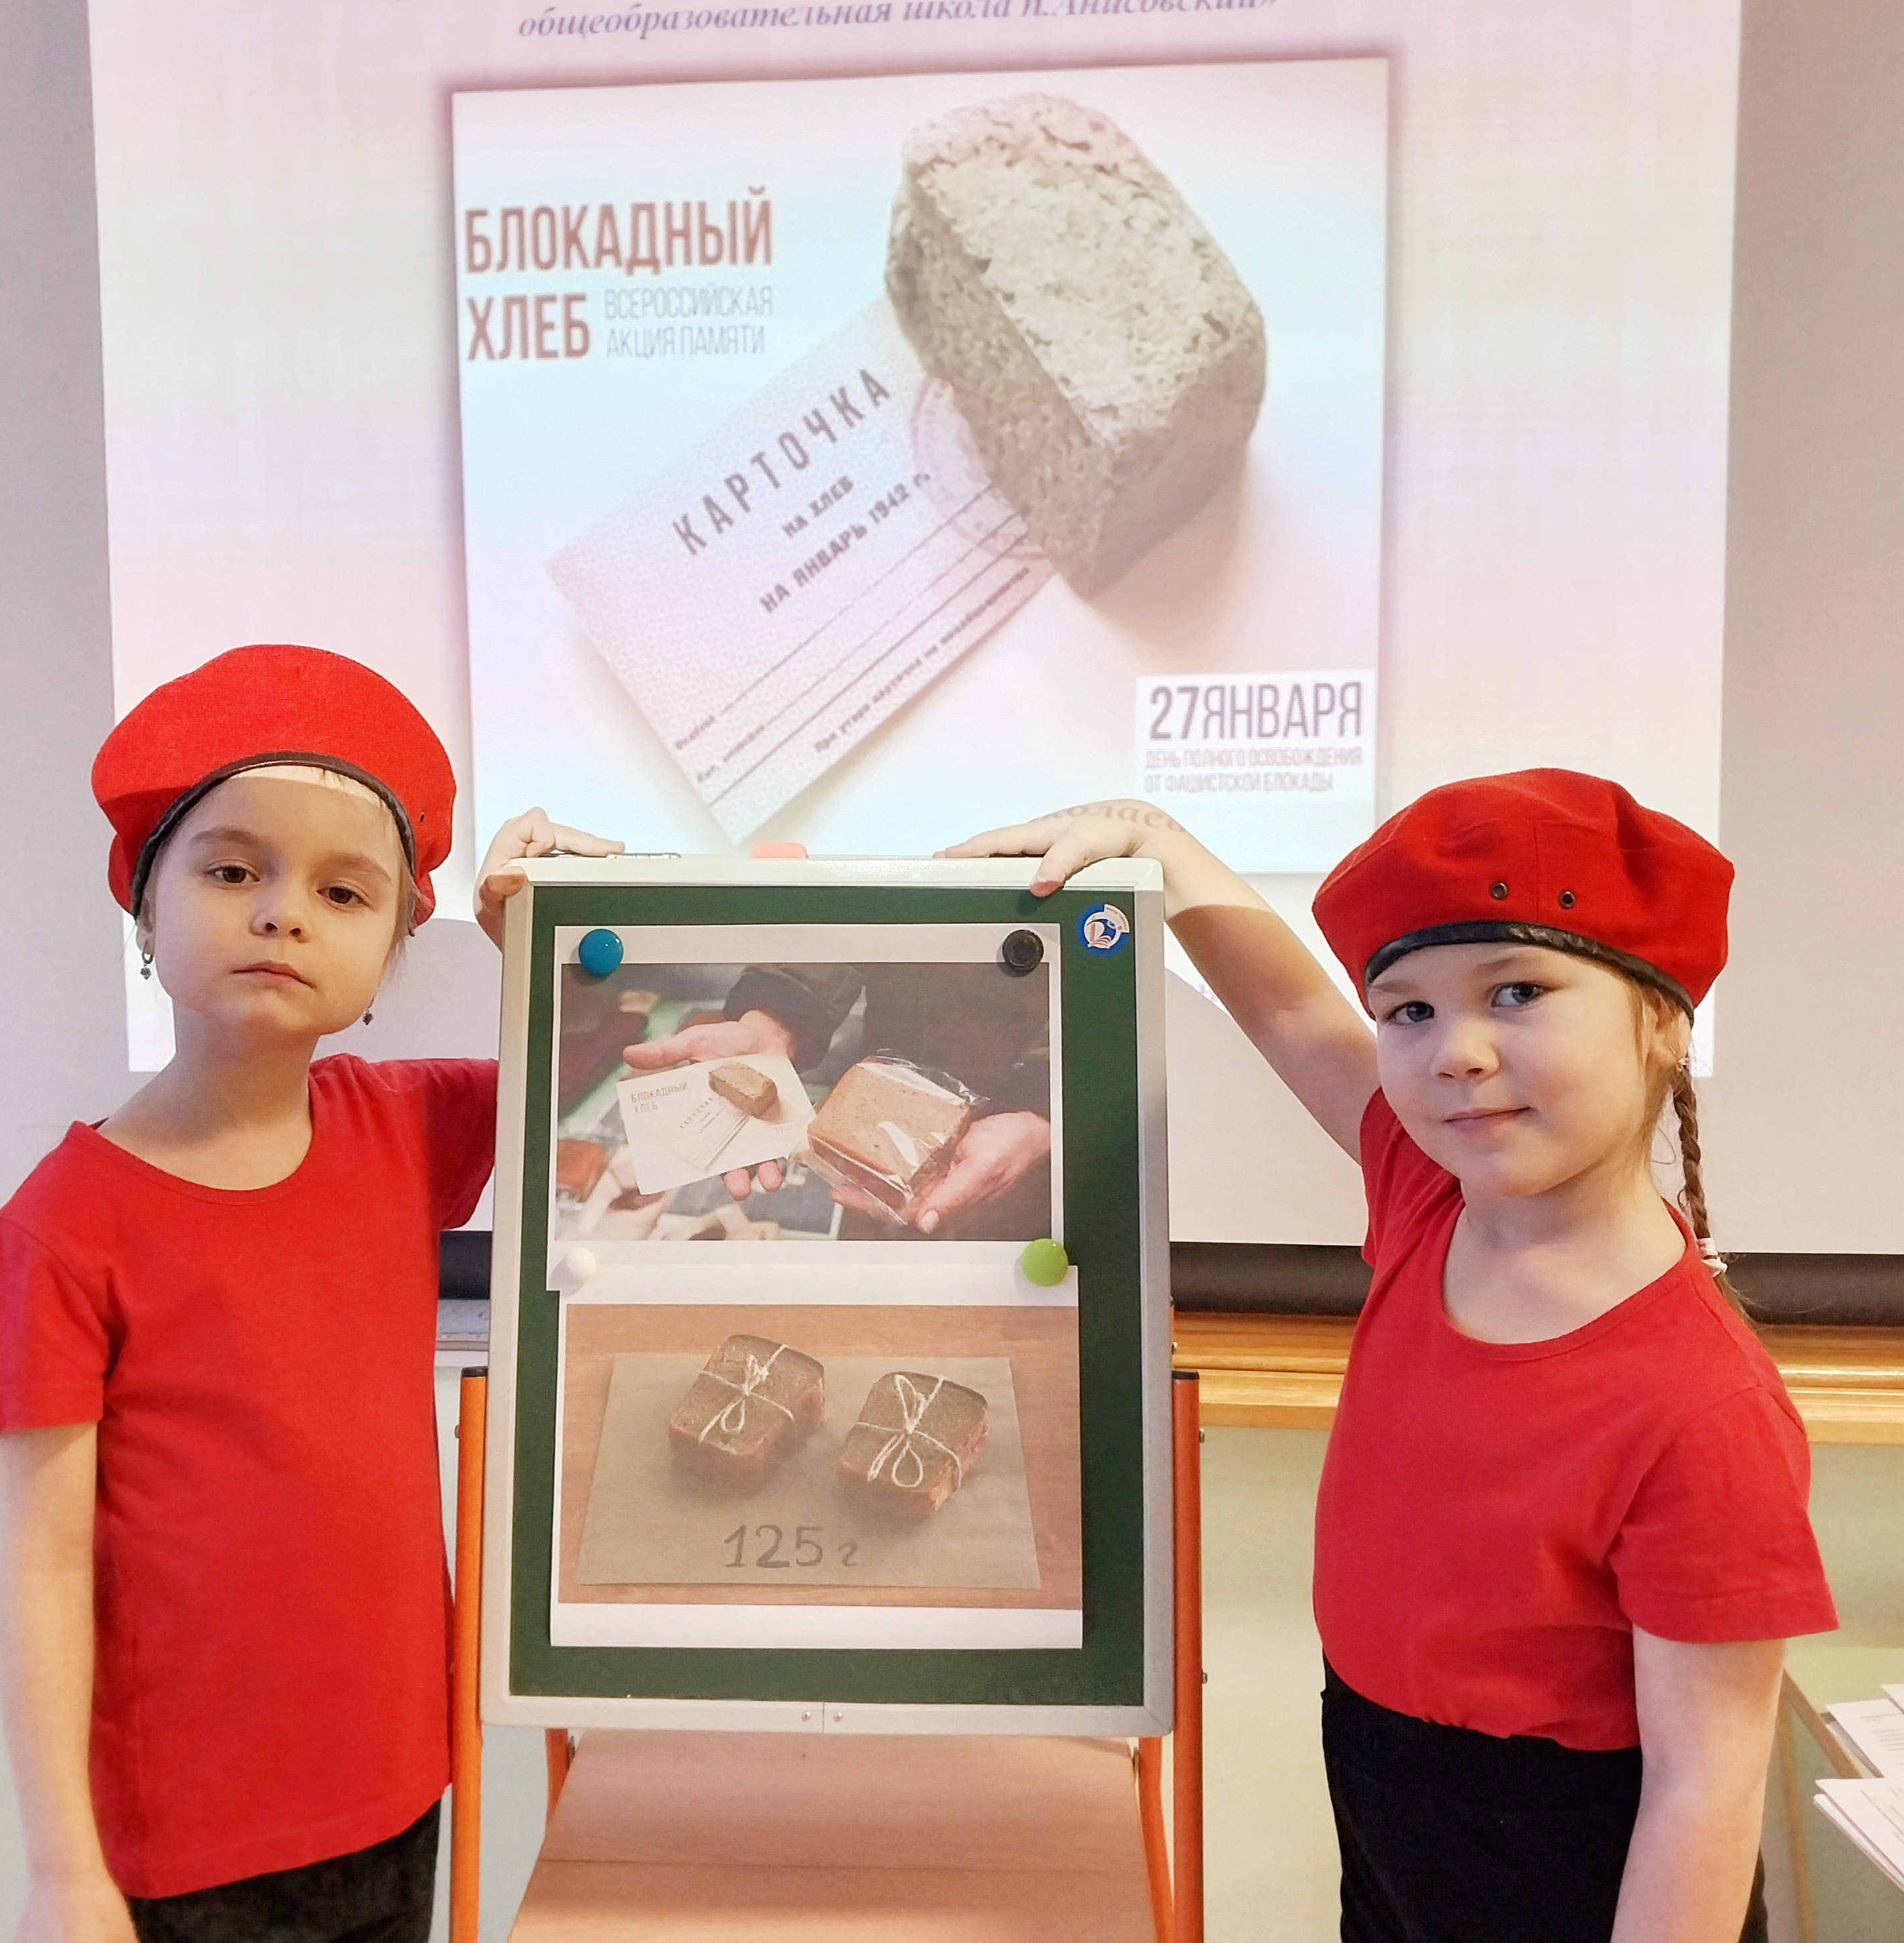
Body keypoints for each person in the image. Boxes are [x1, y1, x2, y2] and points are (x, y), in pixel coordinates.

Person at [947, 777, 1835, 1943]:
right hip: (1385, 1803)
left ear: (1664, 1020)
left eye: (1516, 992)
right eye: (1408, 1009)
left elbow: (1703, 1789)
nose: (1455, 1051)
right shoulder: (1428, 1198)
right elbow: (1291, 1009)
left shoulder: (1704, 1409)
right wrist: (1152, 837)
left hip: (1576, 1871)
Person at [0, 645, 619, 1943]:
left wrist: (534, 942)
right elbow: (43, 1569)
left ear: (394, 944)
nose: (283, 914)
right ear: (143, 911)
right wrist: (62, 1874)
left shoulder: (402, 1127)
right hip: (185, 1844)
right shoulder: (64, 1226)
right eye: (230, 871)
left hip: (398, 1792)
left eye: (342, 890)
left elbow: (595, 1088)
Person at [622, 960, 1051, 1238]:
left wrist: (1045, 1104)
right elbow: (848, 907)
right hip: (878, 1097)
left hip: (1041, 1160)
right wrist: (778, 1011)